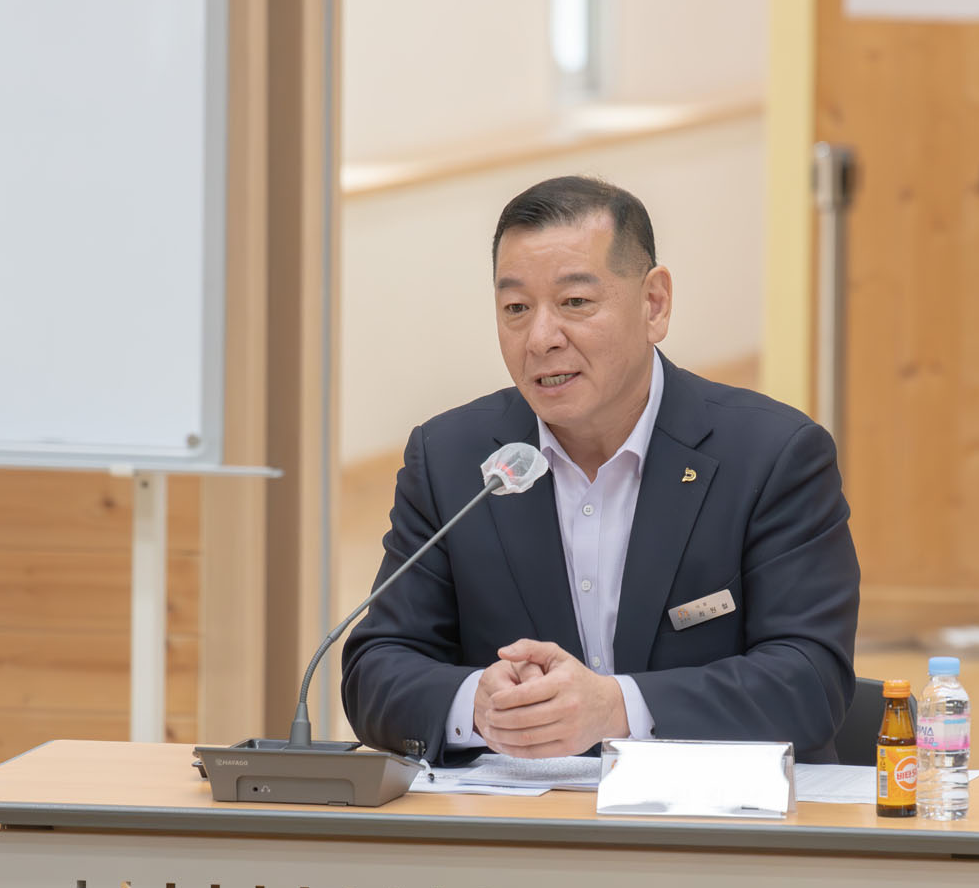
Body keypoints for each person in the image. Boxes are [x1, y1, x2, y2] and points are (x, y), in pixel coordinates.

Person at [341, 175, 859, 763]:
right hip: (516, 815)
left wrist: (615, 708)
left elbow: (809, 680)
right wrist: (475, 705)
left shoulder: (772, 455)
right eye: (516, 309)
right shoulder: (450, 459)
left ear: (654, 304)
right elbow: (377, 668)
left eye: (575, 303)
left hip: (714, 814)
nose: (540, 339)